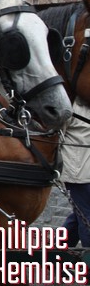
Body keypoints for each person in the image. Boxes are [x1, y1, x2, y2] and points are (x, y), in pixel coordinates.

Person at [61, 99, 90, 246]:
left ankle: (55, 251)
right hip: (78, 174)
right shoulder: (70, 106)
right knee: (87, 217)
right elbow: (55, 137)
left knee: (79, 215)